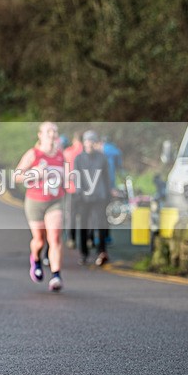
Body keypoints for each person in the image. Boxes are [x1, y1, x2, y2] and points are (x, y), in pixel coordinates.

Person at [14, 121, 65, 291]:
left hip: (55, 201)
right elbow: (17, 176)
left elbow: (67, 176)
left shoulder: (60, 155)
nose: (52, 134)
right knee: (39, 240)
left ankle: (56, 275)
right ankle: (35, 259)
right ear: (40, 135)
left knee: (55, 238)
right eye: (48, 131)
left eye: (54, 131)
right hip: (35, 201)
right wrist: (35, 174)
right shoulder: (33, 154)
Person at [73, 131, 112, 265]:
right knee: (83, 225)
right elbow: (76, 177)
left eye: (91, 141)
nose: (89, 143)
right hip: (84, 197)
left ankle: (102, 251)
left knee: (101, 224)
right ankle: (84, 253)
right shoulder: (79, 158)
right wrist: (79, 192)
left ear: (95, 143)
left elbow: (107, 177)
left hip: (99, 196)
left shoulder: (102, 158)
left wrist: (108, 194)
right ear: (84, 143)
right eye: (87, 140)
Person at [61, 132, 83, 249]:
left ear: (74, 140)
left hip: (70, 187)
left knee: (71, 215)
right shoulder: (86, 151)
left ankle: (71, 238)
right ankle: (89, 239)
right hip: (86, 188)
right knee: (87, 215)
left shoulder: (67, 152)